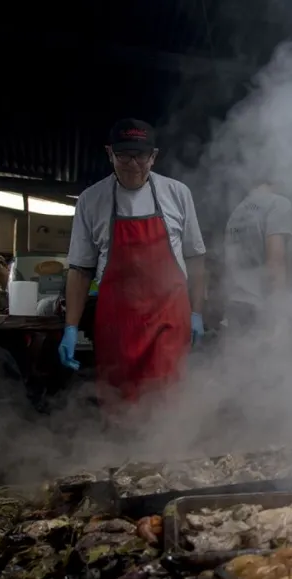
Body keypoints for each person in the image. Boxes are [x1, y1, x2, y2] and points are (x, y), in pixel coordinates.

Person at [60, 119, 206, 403]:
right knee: (118, 401)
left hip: (169, 315)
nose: (132, 164)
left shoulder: (177, 193)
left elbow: (196, 258)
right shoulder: (91, 200)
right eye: (123, 155)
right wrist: (70, 327)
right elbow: (79, 269)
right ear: (109, 153)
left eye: (140, 156)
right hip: (117, 320)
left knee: (167, 399)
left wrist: (197, 312)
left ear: (153, 156)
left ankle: (169, 446)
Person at [223, 181, 292, 333]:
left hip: (235, 304)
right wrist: (280, 317)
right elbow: (275, 263)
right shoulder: (277, 203)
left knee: (237, 355)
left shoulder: (237, 212)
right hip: (260, 309)